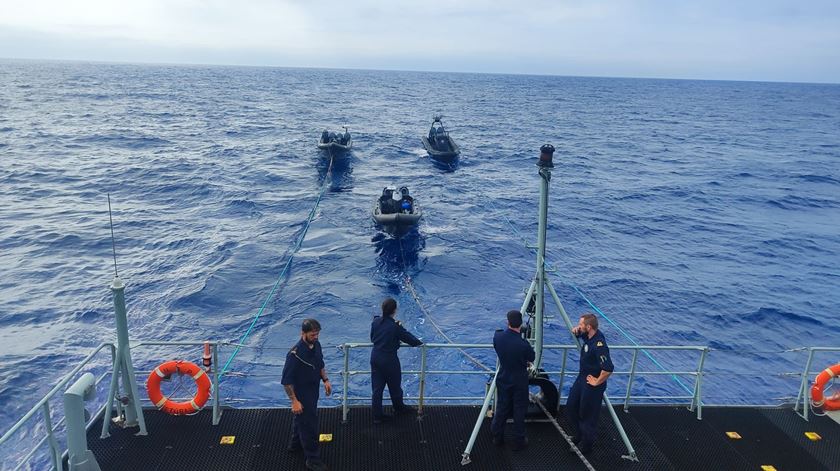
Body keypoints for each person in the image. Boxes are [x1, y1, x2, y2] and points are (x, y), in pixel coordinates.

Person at [282, 319, 331, 471]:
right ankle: (312, 459)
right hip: (302, 393)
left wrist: (325, 379)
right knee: (309, 425)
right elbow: (286, 381)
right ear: (303, 333)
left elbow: (320, 363)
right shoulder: (294, 355)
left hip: (314, 389)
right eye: (312, 334)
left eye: (317, 334)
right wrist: (294, 401)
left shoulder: (316, 345)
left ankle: (295, 444)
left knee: (301, 420)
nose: (315, 337)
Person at [566, 313, 614, 455]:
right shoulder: (590, 335)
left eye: (581, 325)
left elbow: (608, 368)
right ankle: (579, 435)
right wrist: (578, 332)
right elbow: (585, 337)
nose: (579, 326)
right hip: (582, 378)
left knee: (587, 415)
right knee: (571, 407)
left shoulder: (599, 345)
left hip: (592, 384)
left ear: (589, 327)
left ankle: (586, 447)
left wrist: (597, 381)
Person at [370, 297, 423, 423]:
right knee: (395, 386)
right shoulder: (395, 327)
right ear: (394, 310)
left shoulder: (375, 322)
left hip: (375, 357)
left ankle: (377, 416)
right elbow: (411, 340)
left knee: (377, 389)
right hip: (389, 360)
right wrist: (421, 343)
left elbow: (373, 338)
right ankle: (398, 408)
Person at [491, 310, 535, 451]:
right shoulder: (523, 344)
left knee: (502, 408)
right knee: (519, 410)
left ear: (507, 322)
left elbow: (498, 340)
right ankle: (519, 440)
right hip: (519, 381)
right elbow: (532, 357)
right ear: (521, 324)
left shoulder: (498, 337)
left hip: (504, 378)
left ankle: (497, 436)